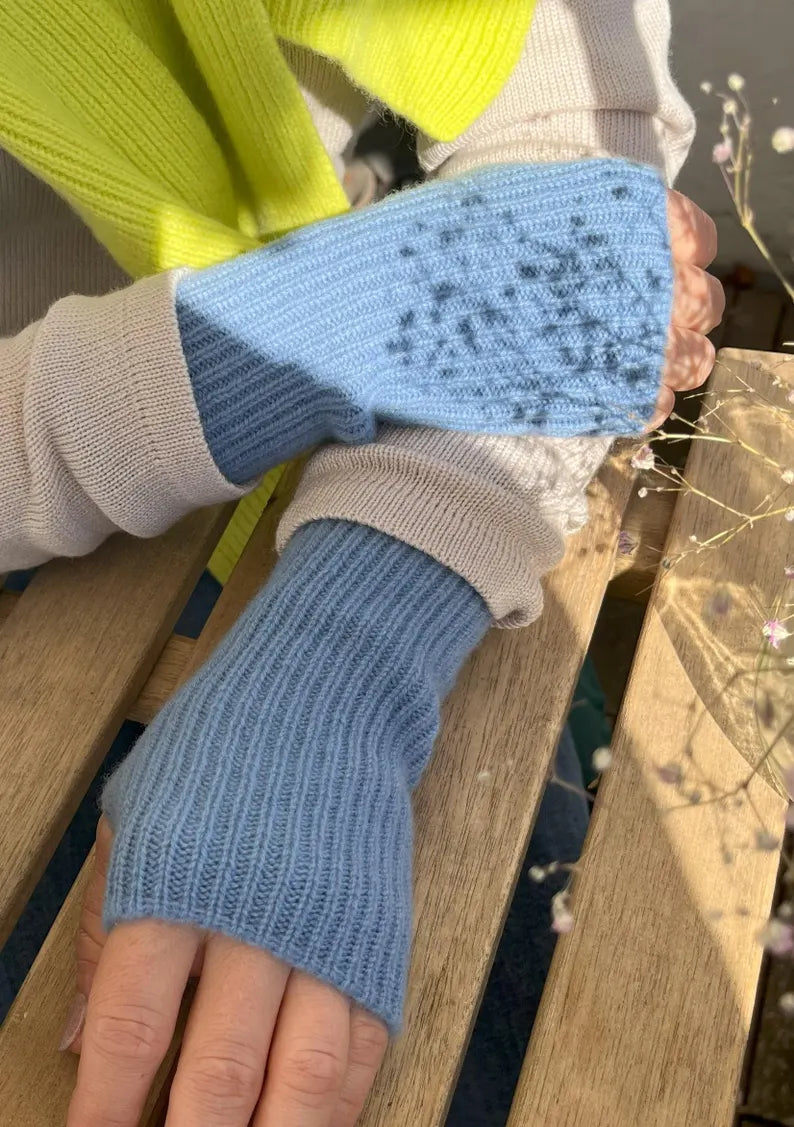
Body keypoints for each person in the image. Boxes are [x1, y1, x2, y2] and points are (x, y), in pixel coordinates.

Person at [0, 1, 724, 1123]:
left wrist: (347, 647)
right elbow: (571, 253)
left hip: (378, 496)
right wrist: (337, 323)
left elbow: (577, 128)